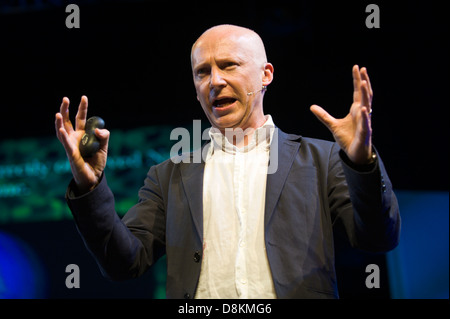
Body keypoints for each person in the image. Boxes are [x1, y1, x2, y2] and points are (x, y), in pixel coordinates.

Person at [55, 24, 400, 299]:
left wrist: (362, 162)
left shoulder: (321, 160)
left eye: (229, 65)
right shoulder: (168, 176)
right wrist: (90, 186)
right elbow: (123, 262)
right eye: (202, 72)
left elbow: (378, 238)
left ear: (265, 75)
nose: (214, 81)